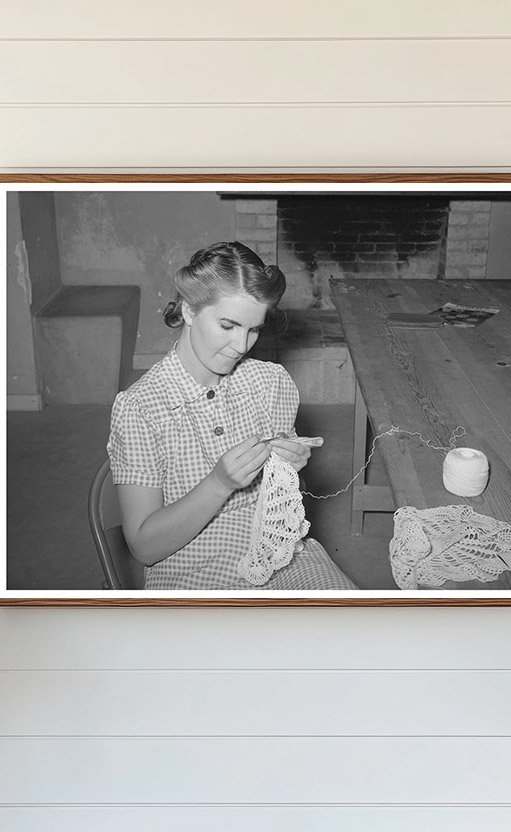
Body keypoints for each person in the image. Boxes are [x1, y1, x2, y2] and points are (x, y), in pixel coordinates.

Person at [106, 240, 356, 591]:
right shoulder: (141, 408)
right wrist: (218, 484)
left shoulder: (271, 383)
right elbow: (144, 548)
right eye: (228, 326)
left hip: (281, 558)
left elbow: (289, 504)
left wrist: (291, 472)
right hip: (191, 572)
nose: (241, 345)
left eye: (253, 329)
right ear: (190, 311)